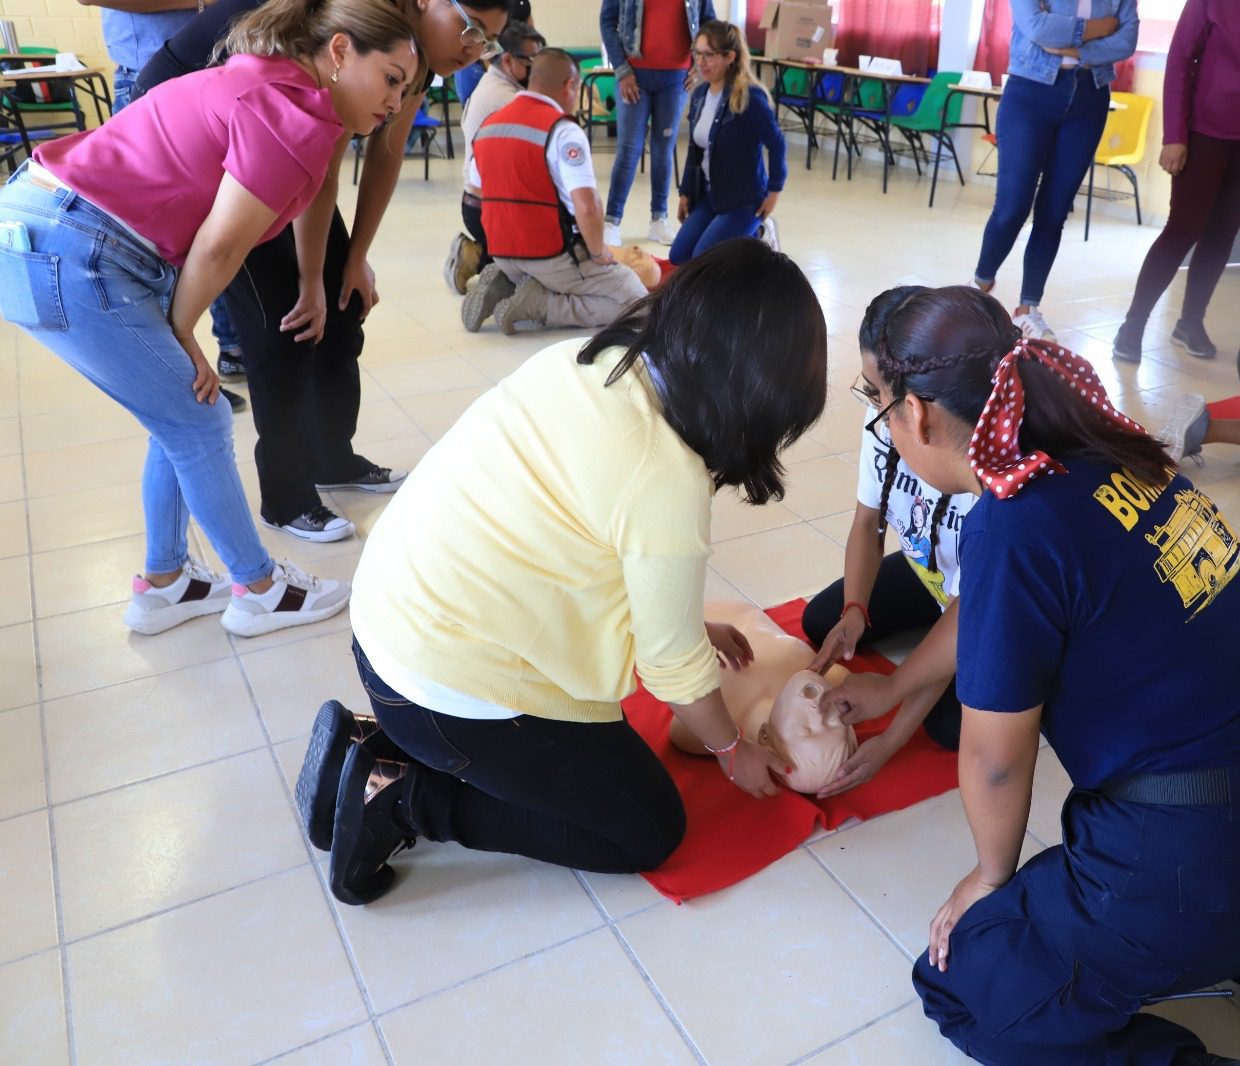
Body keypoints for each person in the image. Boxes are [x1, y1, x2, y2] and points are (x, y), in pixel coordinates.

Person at [294, 240, 828, 905]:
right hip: (441, 688)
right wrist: (731, 752)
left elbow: (578, 544)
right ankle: (406, 797)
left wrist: (687, 621)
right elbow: (670, 667)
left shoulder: (593, 363)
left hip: (388, 630)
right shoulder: (665, 476)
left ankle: (367, 741)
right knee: (645, 827)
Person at [842, 285, 1240, 1063]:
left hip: (1192, 843)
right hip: (1212, 795)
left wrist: (990, 879)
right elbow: (999, 615)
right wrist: (894, 693)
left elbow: (994, 759)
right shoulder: (1105, 444)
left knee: (964, 979)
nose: (885, 422)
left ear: (917, 416)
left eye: (880, 404)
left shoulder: (1013, 522)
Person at [0, 0, 422, 635]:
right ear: (339, 52)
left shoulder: (279, 83)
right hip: (73, 246)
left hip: (53, 231)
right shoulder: (293, 117)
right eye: (391, 79)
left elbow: (289, 207)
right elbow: (221, 245)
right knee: (201, 419)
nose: (396, 103)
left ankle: (167, 582)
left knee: (175, 415)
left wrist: (308, 280)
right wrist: (183, 332)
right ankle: (258, 589)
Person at [135, 0, 512, 543]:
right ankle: (286, 497)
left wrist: (353, 261)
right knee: (286, 321)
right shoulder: (356, 30)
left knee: (344, 306)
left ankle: (332, 457)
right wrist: (310, 280)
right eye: (471, 29)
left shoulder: (411, 54)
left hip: (281, 143)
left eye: (488, 41)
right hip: (205, 127)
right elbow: (318, 168)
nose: (475, 49)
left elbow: (385, 154)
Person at [801, 287, 974, 797]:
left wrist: (891, 739)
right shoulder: (886, 416)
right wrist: (855, 609)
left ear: (918, 406)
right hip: (939, 573)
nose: (873, 405)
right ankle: (921, 619)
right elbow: (867, 520)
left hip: (981, 600)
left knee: (946, 727)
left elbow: (975, 608)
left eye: (879, 392)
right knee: (822, 620)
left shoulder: (978, 475)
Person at [77, 0, 250, 405]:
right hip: (156, 77)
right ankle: (173, 369)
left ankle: (232, 348)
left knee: (223, 227)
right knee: (158, 244)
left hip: (223, 74)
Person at [972, 0, 1138, 343]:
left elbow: (1126, 41)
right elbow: (1036, 28)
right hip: (1030, 93)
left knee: (1053, 211)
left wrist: (1072, 47)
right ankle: (977, 292)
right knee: (1012, 207)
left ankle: (1028, 308)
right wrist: (1097, 29)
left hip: (1089, 100)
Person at [462, 49, 648, 335]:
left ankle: (511, 281)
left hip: (500, 249)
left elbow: (475, 193)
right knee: (638, 302)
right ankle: (541, 305)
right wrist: (598, 253)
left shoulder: (489, 126)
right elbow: (587, 207)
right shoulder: (563, 131)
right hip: (550, 254)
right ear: (570, 86)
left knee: (559, 275)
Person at [1113, 0, 1239, 364]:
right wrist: (1174, 135)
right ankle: (1133, 324)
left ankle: (1190, 322)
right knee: (1182, 230)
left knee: (1222, 234)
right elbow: (1181, 59)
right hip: (1204, 131)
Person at [669, 601, 858, 795]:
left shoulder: (712, 721)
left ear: (765, 736)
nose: (818, 709)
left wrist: (727, 747)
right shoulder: (834, 678)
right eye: (833, 721)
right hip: (709, 613)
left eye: (806, 730)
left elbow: (670, 669)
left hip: (673, 621)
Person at [599, 0, 714, 247]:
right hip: (633, 73)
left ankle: (659, 219)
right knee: (629, 149)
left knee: (663, 148)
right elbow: (608, 22)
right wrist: (621, 70)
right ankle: (611, 221)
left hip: (676, 77)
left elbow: (709, 24)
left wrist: (700, 64)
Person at [443, 19, 545, 295]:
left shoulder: (496, 83)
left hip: (479, 203)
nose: (536, 69)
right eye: (530, 61)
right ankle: (479, 259)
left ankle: (484, 254)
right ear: (509, 59)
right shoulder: (505, 98)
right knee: (544, 258)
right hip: (489, 208)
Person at [670, 20, 785, 267]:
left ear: (729, 56)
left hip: (744, 199)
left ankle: (759, 235)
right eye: (697, 53)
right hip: (713, 195)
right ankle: (750, 236)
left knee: (703, 259)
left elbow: (776, 143)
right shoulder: (701, 94)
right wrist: (685, 192)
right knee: (678, 256)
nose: (700, 62)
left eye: (708, 55)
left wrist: (774, 191)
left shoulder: (749, 97)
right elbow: (696, 149)